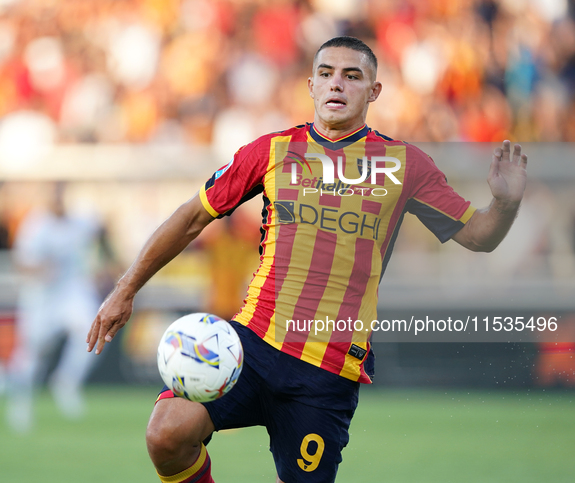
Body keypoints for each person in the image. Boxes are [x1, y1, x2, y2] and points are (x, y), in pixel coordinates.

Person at [87, 37, 527, 483]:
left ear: (374, 91)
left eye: (352, 76)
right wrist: (125, 290)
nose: (337, 84)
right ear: (311, 86)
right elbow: (192, 217)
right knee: (166, 434)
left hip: (328, 369)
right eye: (326, 74)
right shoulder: (273, 151)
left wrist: (505, 206)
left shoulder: (405, 165)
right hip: (251, 346)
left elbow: (478, 236)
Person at [7, 182, 114, 432]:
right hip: (41, 298)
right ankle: (21, 404)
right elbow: (20, 263)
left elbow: (102, 231)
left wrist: (109, 263)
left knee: (92, 329)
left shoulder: (79, 220)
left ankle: (66, 382)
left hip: (71, 294)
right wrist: (41, 269)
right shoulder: (35, 226)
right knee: (32, 354)